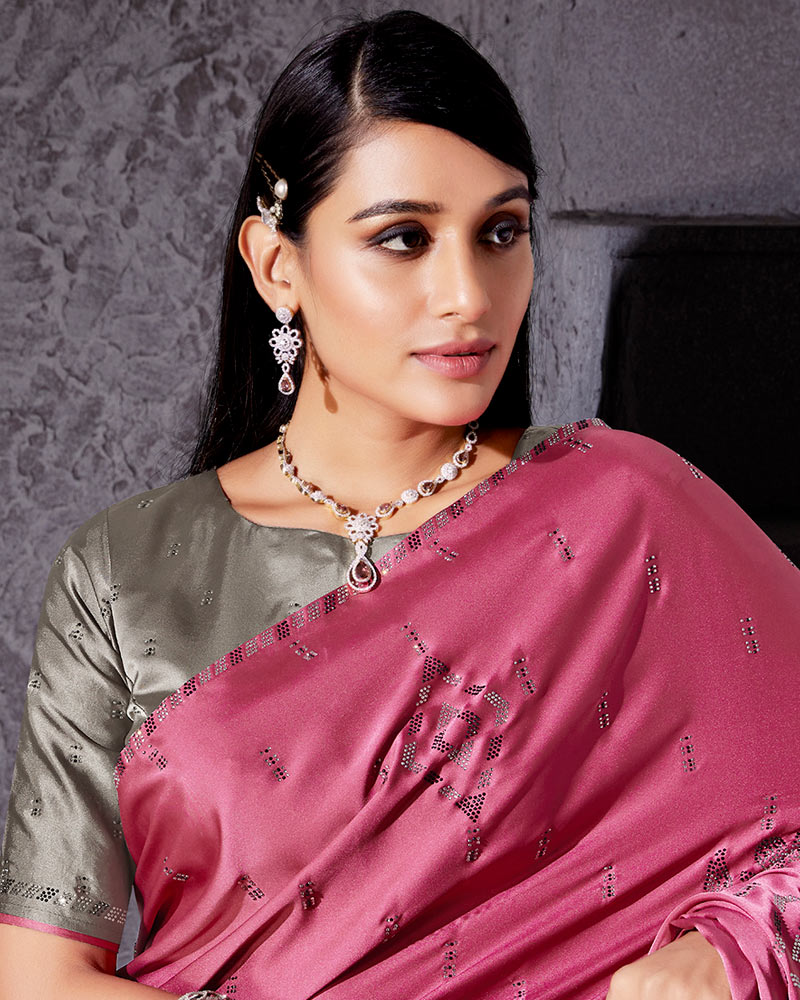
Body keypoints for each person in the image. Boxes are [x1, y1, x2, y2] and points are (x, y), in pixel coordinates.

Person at [0, 9, 798, 1000]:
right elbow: (38, 977)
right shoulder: (121, 573)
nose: (468, 293)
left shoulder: (627, 511)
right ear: (277, 265)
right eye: (404, 238)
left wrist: (726, 949)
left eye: (500, 232)